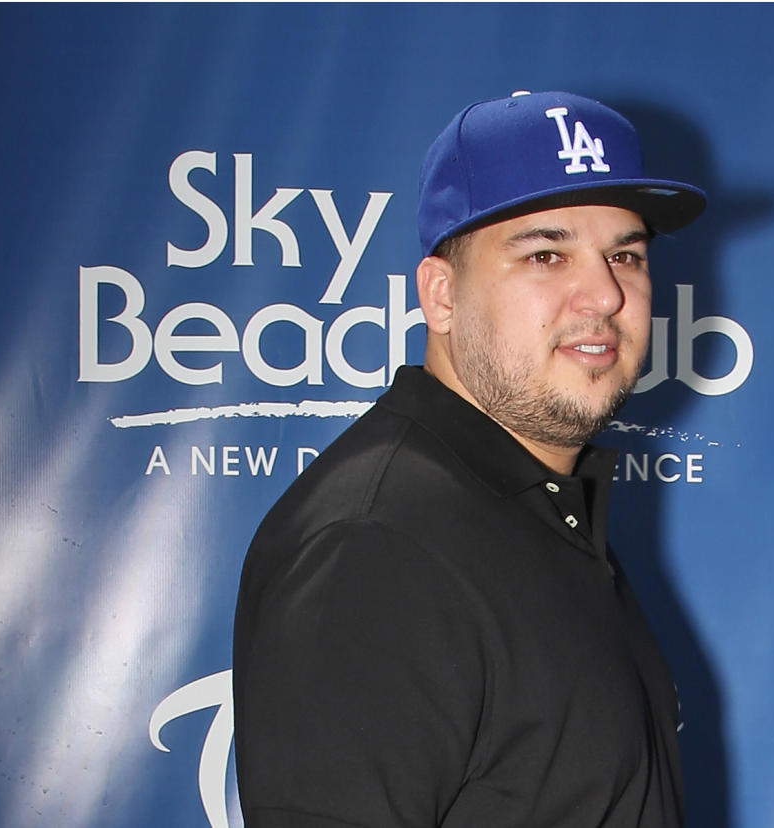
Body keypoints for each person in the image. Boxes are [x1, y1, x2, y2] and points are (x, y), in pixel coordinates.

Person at [233, 90, 706, 828]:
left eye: (626, 255)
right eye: (546, 254)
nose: (605, 293)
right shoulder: (378, 545)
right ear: (442, 296)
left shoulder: (538, 508)